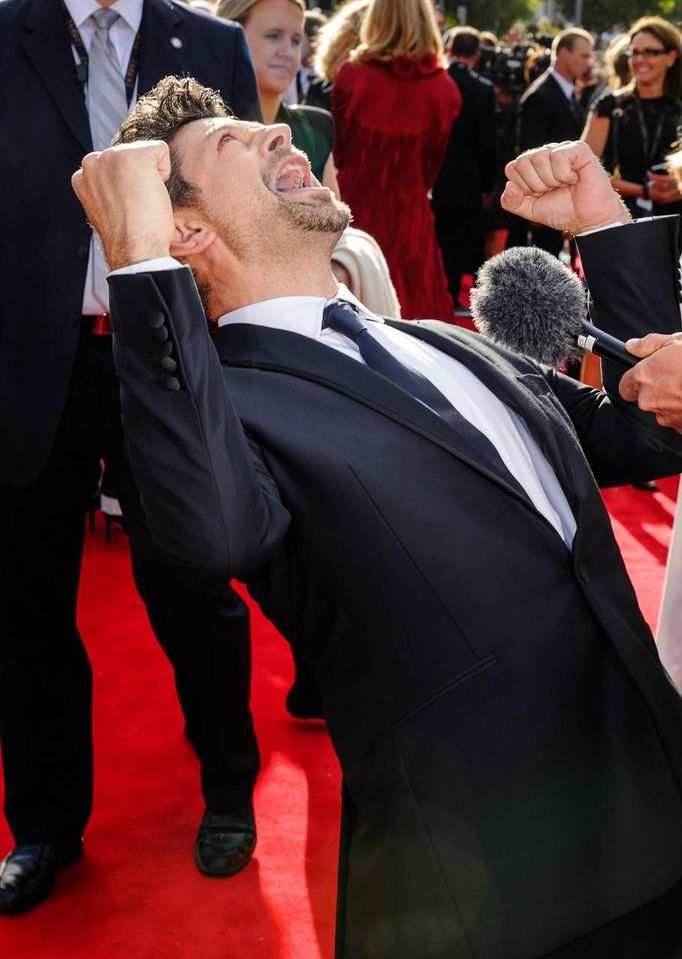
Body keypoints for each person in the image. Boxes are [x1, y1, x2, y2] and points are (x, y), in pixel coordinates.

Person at [72, 76, 682, 959]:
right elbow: (214, 530)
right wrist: (135, 257)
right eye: (236, 142)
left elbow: (650, 431)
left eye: (273, 129)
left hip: (659, 804)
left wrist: (606, 230)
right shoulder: (228, 413)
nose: (281, 138)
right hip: (493, 896)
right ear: (187, 230)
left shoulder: (445, 340)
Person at [0, 0, 261, 917]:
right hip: (36, 365)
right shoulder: (7, 32)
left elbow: (246, 201)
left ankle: (229, 787)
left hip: (171, 356)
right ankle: (43, 826)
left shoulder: (212, 44)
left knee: (190, 582)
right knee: (28, 603)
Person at [331, 0, 461, 323]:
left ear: (376, 18)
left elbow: (339, 151)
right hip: (411, 216)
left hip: (353, 209)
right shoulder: (444, 90)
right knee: (416, 315)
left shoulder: (350, 76)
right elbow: (432, 168)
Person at [217, 0, 339, 192]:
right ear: (228, 37)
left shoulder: (315, 130)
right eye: (273, 36)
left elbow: (336, 220)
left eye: (296, 40)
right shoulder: (202, 134)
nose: (288, 52)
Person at [583, 16, 682, 219]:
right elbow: (584, 170)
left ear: (671, 57)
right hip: (622, 221)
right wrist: (643, 191)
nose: (639, 60)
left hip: (676, 220)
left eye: (650, 52)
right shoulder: (609, 106)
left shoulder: (678, 106)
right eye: (634, 52)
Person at [508, 27, 594, 254]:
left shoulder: (567, 90)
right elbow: (528, 152)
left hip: (561, 199)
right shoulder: (541, 95)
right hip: (545, 206)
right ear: (564, 53)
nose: (589, 62)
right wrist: (539, 203)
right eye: (584, 55)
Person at [431, 26, 497, 314]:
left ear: (449, 48)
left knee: (435, 237)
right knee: (457, 242)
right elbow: (486, 142)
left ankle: (434, 291)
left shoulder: (436, 82)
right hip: (467, 180)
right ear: (477, 54)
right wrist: (487, 185)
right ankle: (448, 294)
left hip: (433, 174)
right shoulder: (481, 89)